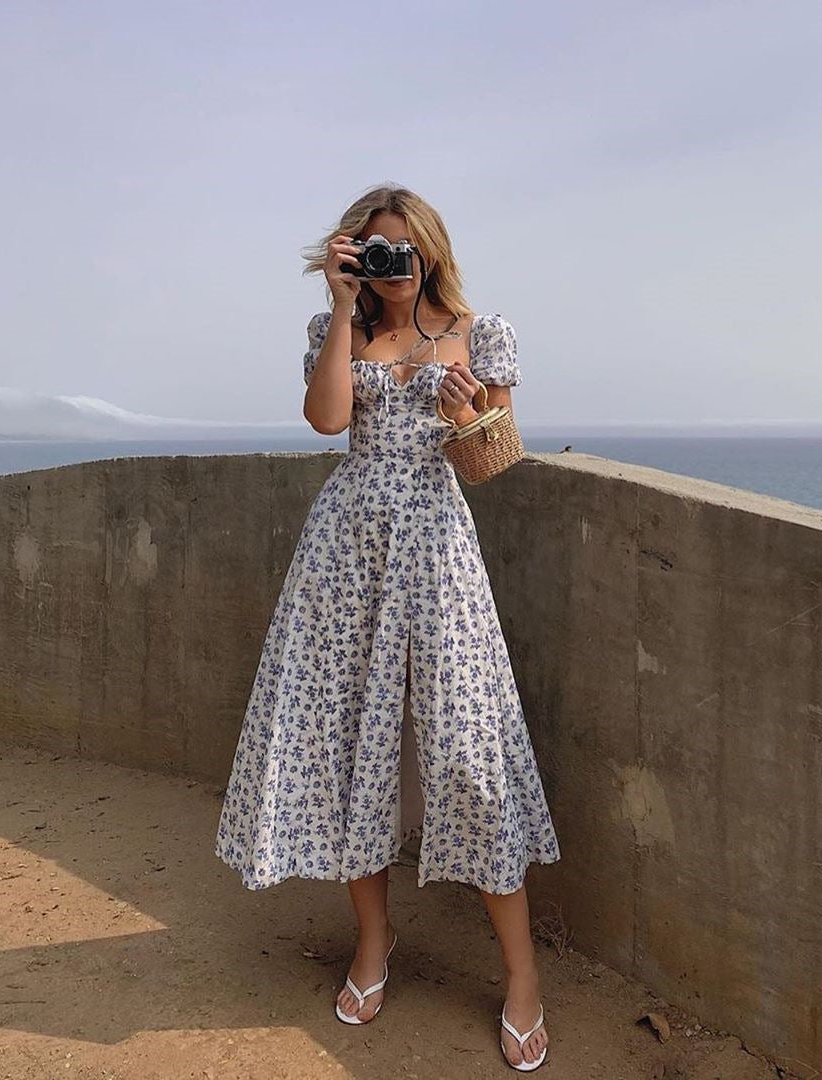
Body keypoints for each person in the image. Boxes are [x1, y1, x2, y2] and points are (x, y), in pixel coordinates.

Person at [213, 183, 560, 1071]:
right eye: (373, 251)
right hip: (345, 552)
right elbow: (329, 419)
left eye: (402, 250)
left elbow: (493, 457)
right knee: (344, 753)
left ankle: (522, 978)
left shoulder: (483, 333)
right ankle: (373, 943)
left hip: (438, 554)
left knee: (467, 756)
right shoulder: (344, 330)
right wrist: (339, 310)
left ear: (432, 250)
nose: (390, 267)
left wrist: (465, 411)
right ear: (350, 257)